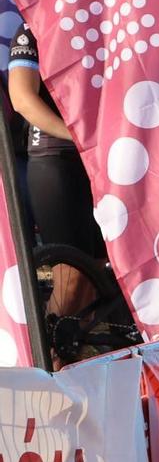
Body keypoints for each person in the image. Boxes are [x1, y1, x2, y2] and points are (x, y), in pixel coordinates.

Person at [8, 26, 108, 316]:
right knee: (72, 274)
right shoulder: (30, 31)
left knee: (96, 274)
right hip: (54, 161)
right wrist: (75, 135)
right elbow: (23, 100)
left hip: (97, 158)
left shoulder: (100, 13)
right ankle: (48, 357)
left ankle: (85, 354)